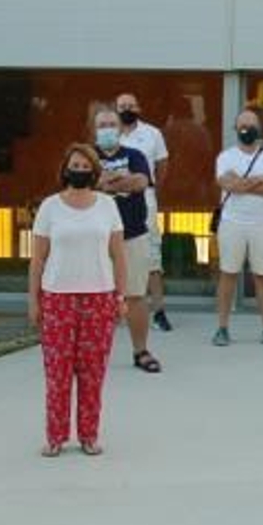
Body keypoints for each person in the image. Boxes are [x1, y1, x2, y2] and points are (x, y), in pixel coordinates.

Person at [28, 144, 126, 457]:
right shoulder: (50, 207)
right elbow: (38, 259)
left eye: (86, 165)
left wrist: (120, 296)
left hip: (99, 297)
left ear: (94, 170)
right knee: (57, 373)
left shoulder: (108, 206)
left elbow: (118, 255)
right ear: (65, 168)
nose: (80, 170)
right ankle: (56, 436)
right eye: (75, 165)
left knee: (92, 373)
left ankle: (89, 435)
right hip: (57, 297)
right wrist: (34, 299)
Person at [92, 106, 160, 373]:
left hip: (133, 235)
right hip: (95, 239)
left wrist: (105, 182)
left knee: (135, 296)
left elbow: (141, 182)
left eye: (111, 123)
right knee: (95, 298)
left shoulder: (136, 155)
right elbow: (80, 184)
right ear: (94, 129)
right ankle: (93, 355)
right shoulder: (85, 156)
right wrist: (121, 179)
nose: (107, 129)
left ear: (119, 128)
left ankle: (140, 351)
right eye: (101, 125)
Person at [211, 109, 263, 348]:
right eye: (242, 125)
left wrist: (242, 182)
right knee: (228, 275)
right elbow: (227, 183)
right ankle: (222, 328)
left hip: (262, 225)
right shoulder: (225, 156)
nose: (246, 130)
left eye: (251, 125)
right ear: (235, 129)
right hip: (232, 224)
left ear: (258, 128)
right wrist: (258, 180)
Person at [115, 92, 172, 332]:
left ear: (138, 108)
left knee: (151, 257)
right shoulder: (108, 134)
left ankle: (158, 311)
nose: (127, 109)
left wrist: (150, 187)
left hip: (144, 202)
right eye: (122, 106)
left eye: (131, 105)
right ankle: (114, 309)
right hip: (111, 203)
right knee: (113, 255)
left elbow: (162, 166)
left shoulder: (152, 134)